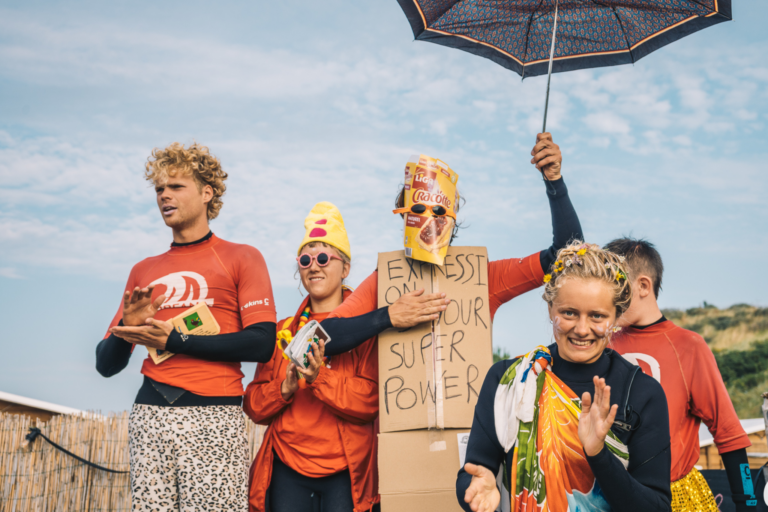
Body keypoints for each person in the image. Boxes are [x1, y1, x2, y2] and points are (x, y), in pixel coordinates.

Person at [95, 142, 277, 511]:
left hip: (214, 414)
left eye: (176, 186)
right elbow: (106, 365)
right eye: (159, 188)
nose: (164, 195)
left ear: (207, 193)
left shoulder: (242, 257)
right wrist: (125, 329)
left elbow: (261, 343)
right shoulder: (143, 270)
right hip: (150, 414)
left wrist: (175, 339)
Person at [320, 133, 582, 357]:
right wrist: (387, 316)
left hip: (468, 417)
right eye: (419, 209)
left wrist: (554, 180)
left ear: (454, 217)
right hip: (400, 415)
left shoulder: (482, 277)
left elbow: (566, 254)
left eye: (440, 211)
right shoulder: (385, 280)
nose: (430, 219)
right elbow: (322, 336)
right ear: (405, 214)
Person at [457, 242, 672, 512]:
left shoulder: (641, 393)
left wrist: (598, 454)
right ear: (550, 310)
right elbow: (475, 472)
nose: (582, 329)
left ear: (616, 316)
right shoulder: (510, 380)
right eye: (569, 313)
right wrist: (477, 487)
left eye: (597, 316)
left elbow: (657, 508)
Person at [243, 202, 379, 512]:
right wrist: (284, 389)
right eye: (305, 259)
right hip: (287, 468)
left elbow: (370, 402)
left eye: (323, 257)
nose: (313, 266)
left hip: (346, 472)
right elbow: (252, 405)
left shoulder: (364, 333)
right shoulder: (282, 333)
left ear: (345, 268)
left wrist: (320, 378)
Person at [605, 237, 755, 512]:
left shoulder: (688, 346)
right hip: (608, 495)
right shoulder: (601, 344)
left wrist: (749, 503)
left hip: (676, 498)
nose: (605, 295)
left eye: (613, 284)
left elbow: (729, 435)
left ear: (642, 286)